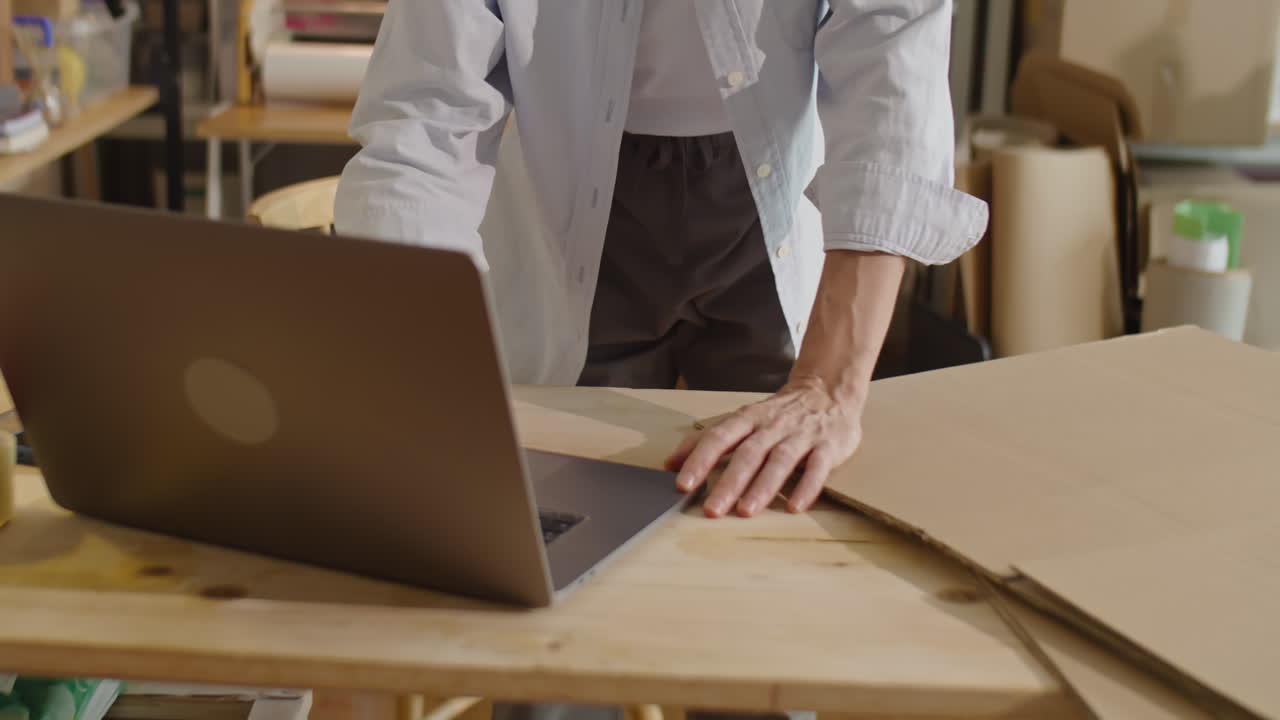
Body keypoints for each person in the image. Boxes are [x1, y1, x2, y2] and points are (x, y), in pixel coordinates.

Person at [335, 0, 987, 521]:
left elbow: (893, 60)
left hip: (774, 206)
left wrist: (828, 385)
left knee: (776, 540)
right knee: (555, 540)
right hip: (572, 213)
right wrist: (412, 373)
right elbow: (422, 120)